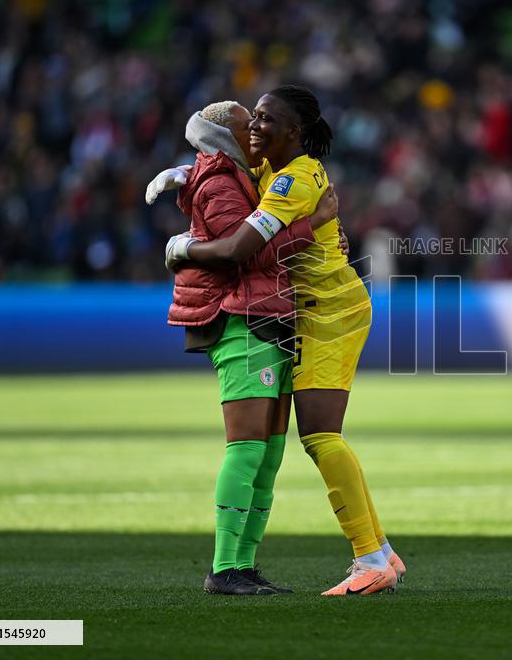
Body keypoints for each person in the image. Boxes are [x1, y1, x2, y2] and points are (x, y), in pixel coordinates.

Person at [160, 86, 404, 596]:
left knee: (318, 436)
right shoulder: (277, 169)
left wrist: (182, 247)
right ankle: (379, 551)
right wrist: (189, 172)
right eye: (254, 117)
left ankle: (368, 559)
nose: (257, 126)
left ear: (295, 131)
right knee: (291, 442)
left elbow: (238, 250)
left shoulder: (290, 181)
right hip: (311, 309)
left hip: (328, 310)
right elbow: (232, 170)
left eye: (268, 119)